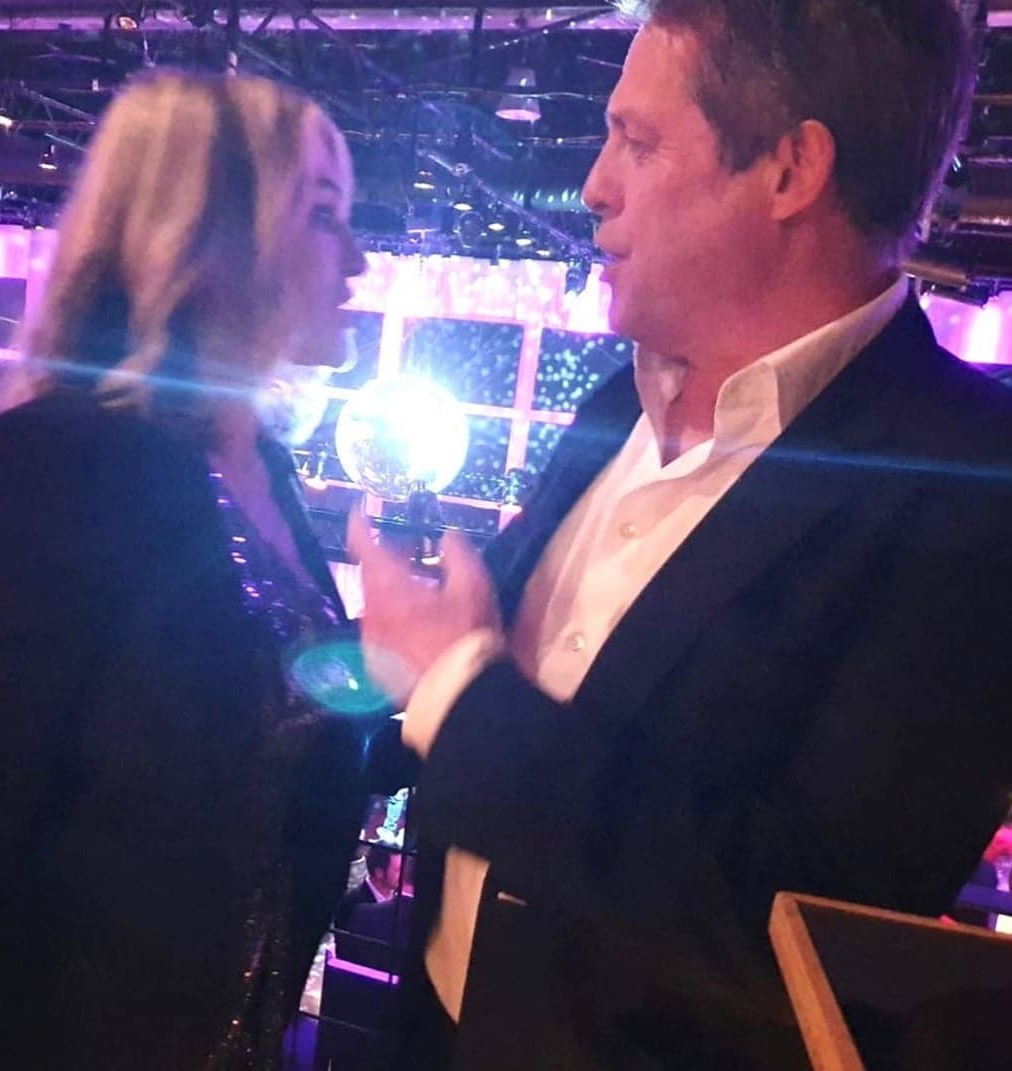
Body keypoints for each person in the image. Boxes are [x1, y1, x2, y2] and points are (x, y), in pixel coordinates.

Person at [349, 2, 1012, 1068]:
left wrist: (457, 695)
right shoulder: (618, 402)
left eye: (638, 141)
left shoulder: (973, 482)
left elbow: (803, 920)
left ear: (790, 171)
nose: (592, 186)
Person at [0, 70, 376, 1071]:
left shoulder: (260, 461)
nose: (357, 257)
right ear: (214, 239)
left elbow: (279, 736)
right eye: (322, 215)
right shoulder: (66, 463)